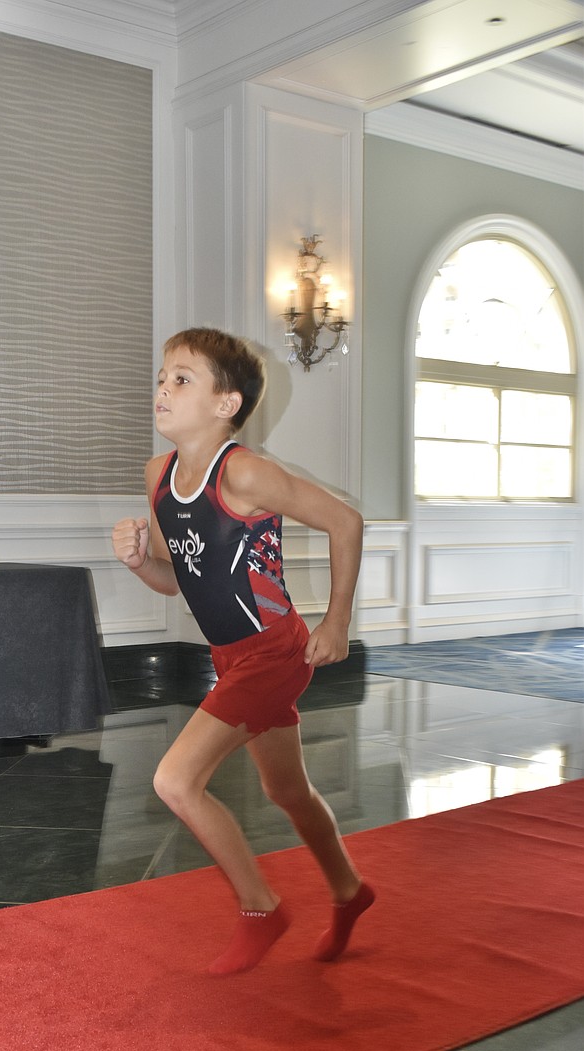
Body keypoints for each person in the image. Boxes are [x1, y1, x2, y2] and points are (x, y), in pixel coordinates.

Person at [112, 327, 373, 976]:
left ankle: (261, 908)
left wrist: (337, 620)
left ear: (226, 403)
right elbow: (177, 579)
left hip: (273, 652)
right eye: (162, 377)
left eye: (182, 379)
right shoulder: (158, 476)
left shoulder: (246, 472)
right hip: (228, 654)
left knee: (175, 780)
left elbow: (345, 521)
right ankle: (350, 891)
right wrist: (139, 562)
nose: (163, 389)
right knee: (287, 789)